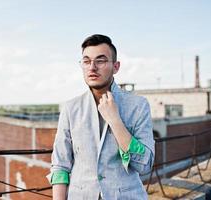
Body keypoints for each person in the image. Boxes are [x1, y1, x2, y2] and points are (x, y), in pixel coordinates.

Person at [47, 34, 155, 200]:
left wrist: (115, 121)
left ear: (116, 66)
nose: (92, 67)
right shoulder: (70, 108)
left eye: (100, 60)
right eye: (86, 61)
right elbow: (60, 166)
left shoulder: (138, 105)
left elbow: (145, 165)